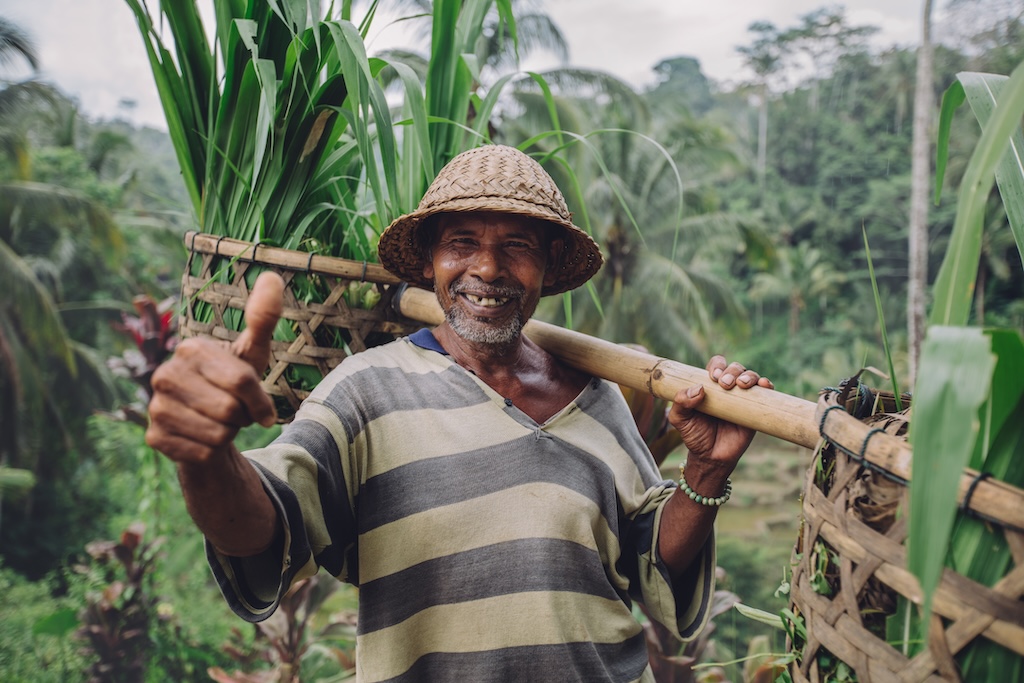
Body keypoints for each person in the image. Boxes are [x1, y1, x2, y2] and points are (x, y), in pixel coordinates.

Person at [146, 145, 773, 682]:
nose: (488, 269)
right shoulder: (367, 391)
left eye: (517, 247)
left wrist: (707, 471)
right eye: (462, 243)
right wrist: (205, 460)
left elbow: (648, 564)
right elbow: (262, 533)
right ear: (428, 262)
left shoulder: (598, 396)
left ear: (549, 267)